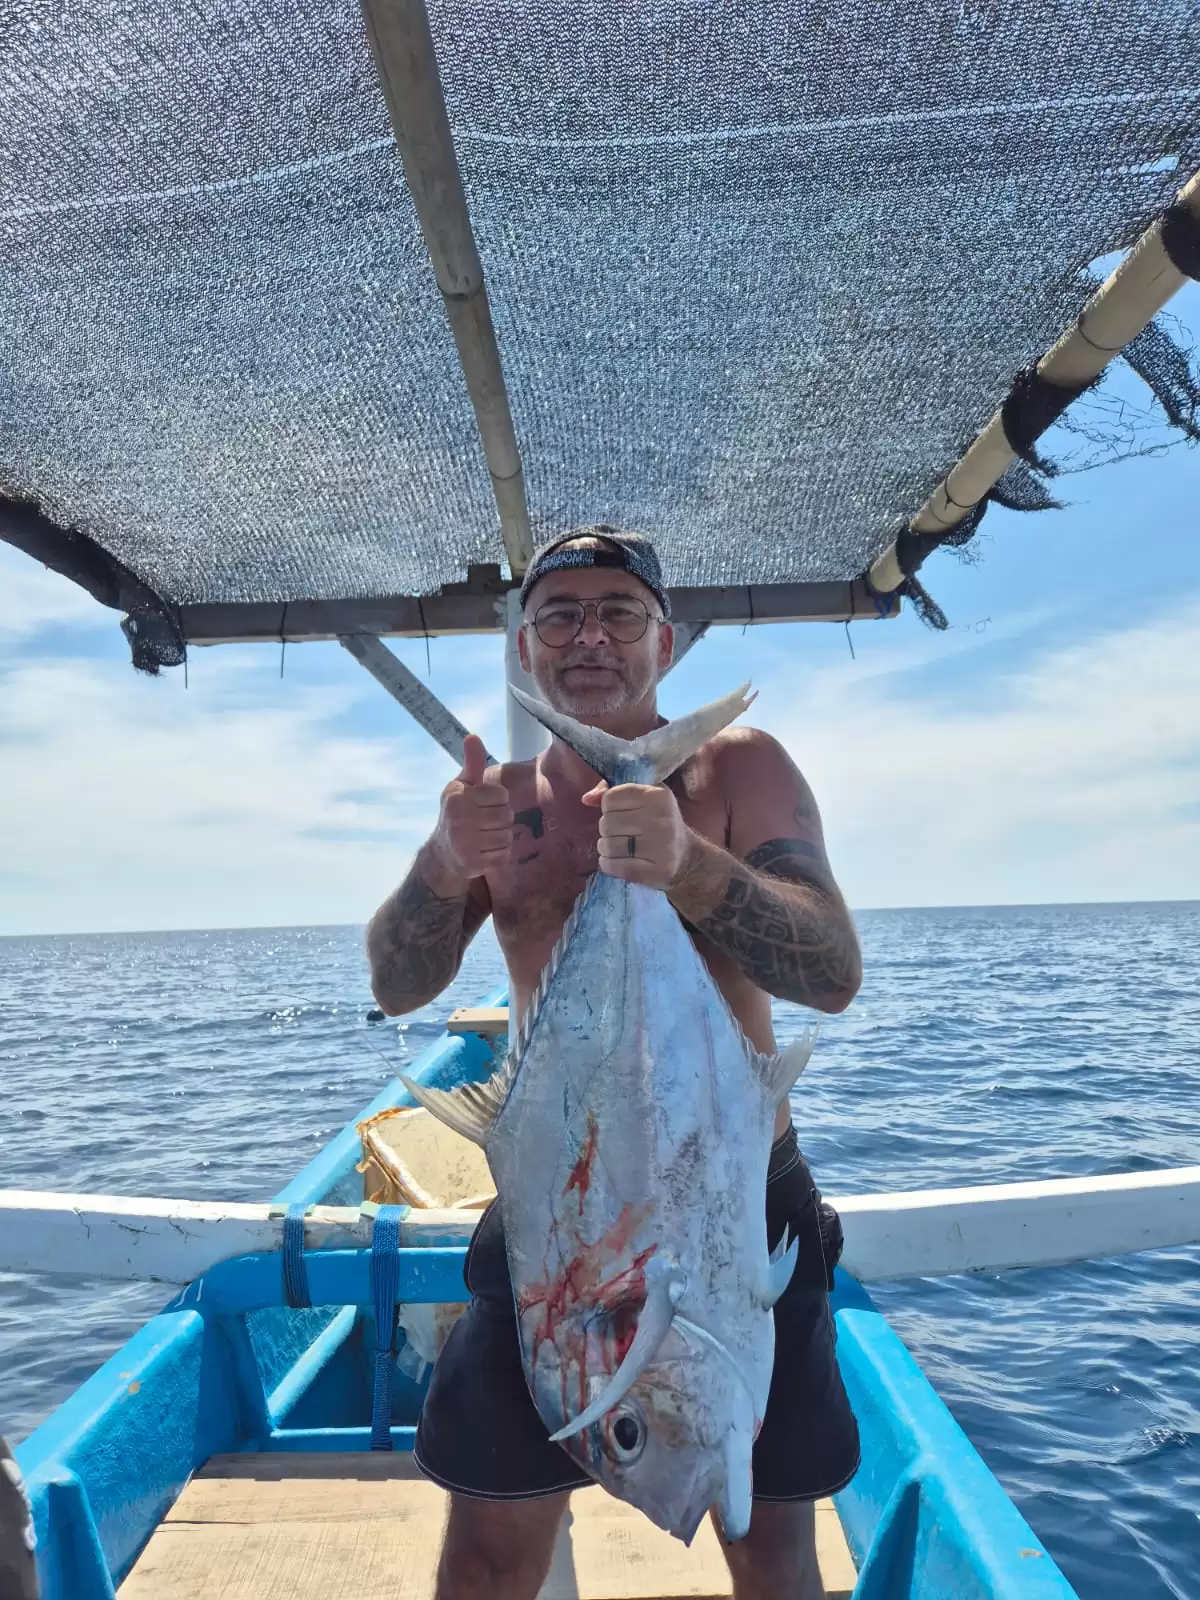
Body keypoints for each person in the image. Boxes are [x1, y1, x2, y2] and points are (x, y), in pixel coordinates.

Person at [368, 527, 862, 1600]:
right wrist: (446, 861)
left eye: (618, 612)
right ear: (525, 647)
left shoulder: (744, 769)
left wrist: (691, 867)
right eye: (559, 614)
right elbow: (397, 985)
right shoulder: (500, 806)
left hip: (731, 1194)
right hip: (562, 1212)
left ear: (664, 640)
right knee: (491, 1552)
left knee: (772, 1548)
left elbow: (831, 970)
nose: (589, 634)